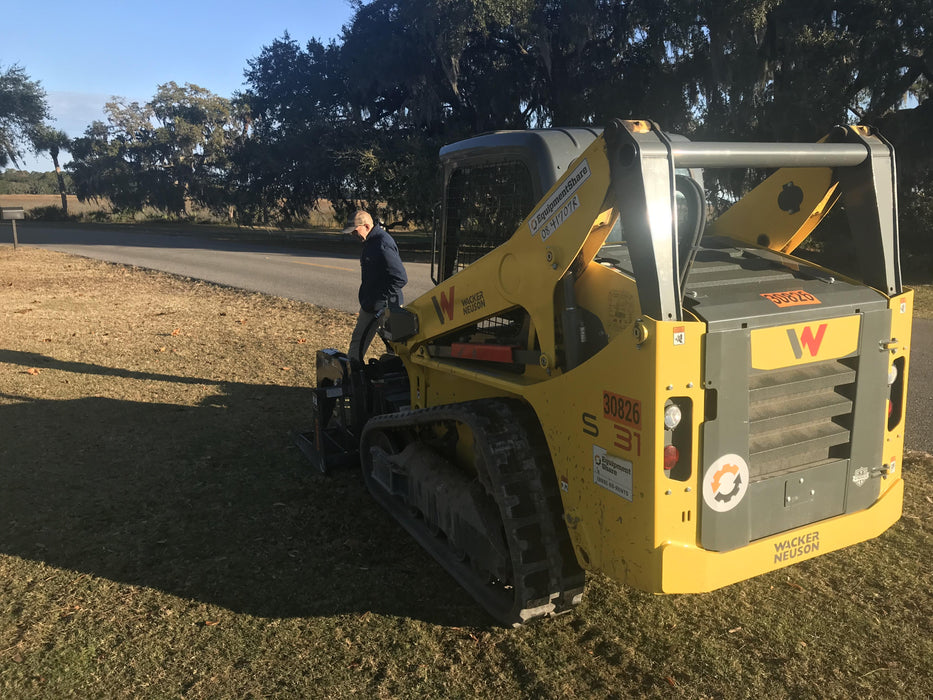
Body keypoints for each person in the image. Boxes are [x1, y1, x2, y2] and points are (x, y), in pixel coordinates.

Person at [343, 210, 408, 365]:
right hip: (370, 304)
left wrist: (383, 302)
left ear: (366, 226)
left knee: (397, 348)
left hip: (385, 306)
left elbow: (400, 278)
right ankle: (353, 379)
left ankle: (396, 381)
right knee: (358, 343)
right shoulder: (370, 242)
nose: (352, 235)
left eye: (355, 231)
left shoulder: (382, 243)